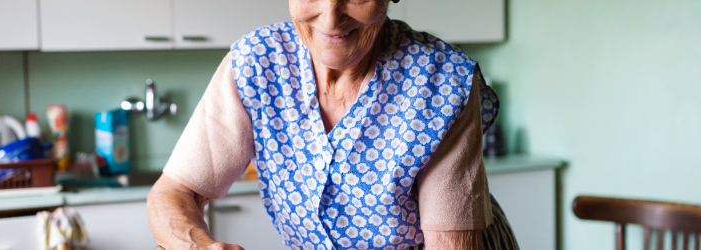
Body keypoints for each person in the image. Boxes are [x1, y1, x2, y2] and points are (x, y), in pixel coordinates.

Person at [147, 0, 518, 249]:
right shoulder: (256, 62)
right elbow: (176, 192)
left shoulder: (442, 81)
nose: (331, 17)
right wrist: (198, 246)